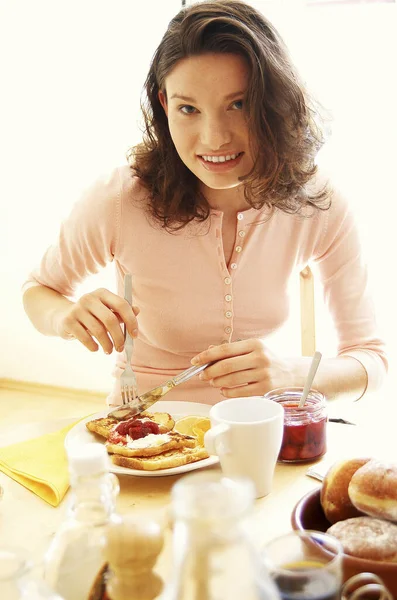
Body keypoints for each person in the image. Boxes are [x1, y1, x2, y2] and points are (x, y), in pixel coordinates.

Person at [22, 0, 386, 406]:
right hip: (145, 435)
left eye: (238, 104)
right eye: (188, 109)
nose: (214, 138)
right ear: (164, 104)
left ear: (274, 101)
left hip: (257, 437)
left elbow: (371, 359)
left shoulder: (319, 204)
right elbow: (39, 290)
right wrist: (64, 318)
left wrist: (294, 373)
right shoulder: (121, 199)